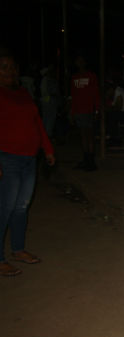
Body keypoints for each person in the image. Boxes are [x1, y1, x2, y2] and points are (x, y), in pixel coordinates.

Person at [0, 47, 55, 277]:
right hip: (7, 158)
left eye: (13, 67)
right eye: (4, 67)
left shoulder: (23, 93)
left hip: (29, 159)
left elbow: (37, 123)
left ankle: (18, 249)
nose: (10, 71)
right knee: (5, 208)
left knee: (22, 207)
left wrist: (48, 149)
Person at [69, 54, 100, 171]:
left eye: (82, 61)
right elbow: (73, 96)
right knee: (83, 135)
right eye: (78, 61)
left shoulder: (91, 76)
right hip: (79, 110)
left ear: (85, 62)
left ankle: (91, 161)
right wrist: (72, 111)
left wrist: (96, 109)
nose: (80, 63)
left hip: (89, 109)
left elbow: (95, 93)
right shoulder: (74, 77)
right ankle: (86, 159)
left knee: (90, 135)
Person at [39, 63, 62, 139]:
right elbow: (46, 92)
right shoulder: (46, 80)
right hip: (48, 102)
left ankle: (46, 135)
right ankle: (47, 136)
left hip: (49, 102)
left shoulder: (50, 79)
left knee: (48, 119)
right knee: (48, 119)